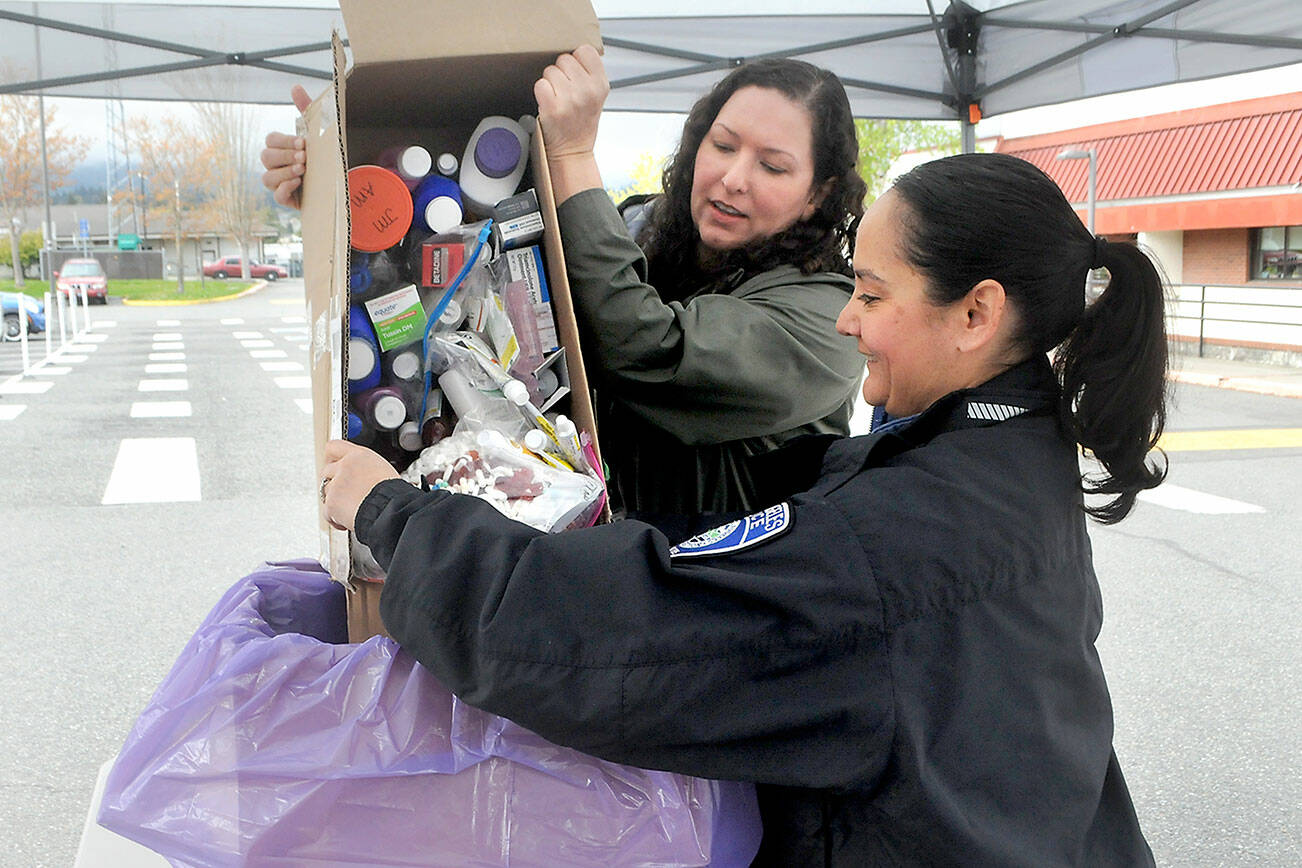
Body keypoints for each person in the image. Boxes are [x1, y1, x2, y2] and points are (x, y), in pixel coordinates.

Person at [320, 151, 1165, 865]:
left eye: (871, 295)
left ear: (977, 313)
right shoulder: (1018, 451)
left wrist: (393, 512)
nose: (847, 320)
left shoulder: (890, 541)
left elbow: (604, 641)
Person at [262, 48, 868, 540]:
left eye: (773, 166)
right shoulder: (638, 231)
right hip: (595, 583)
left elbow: (645, 348)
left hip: (721, 615)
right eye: (725, 145)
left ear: (819, 194)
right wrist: (345, 206)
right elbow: (477, 278)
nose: (733, 178)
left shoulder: (826, 319)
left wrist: (574, 152)